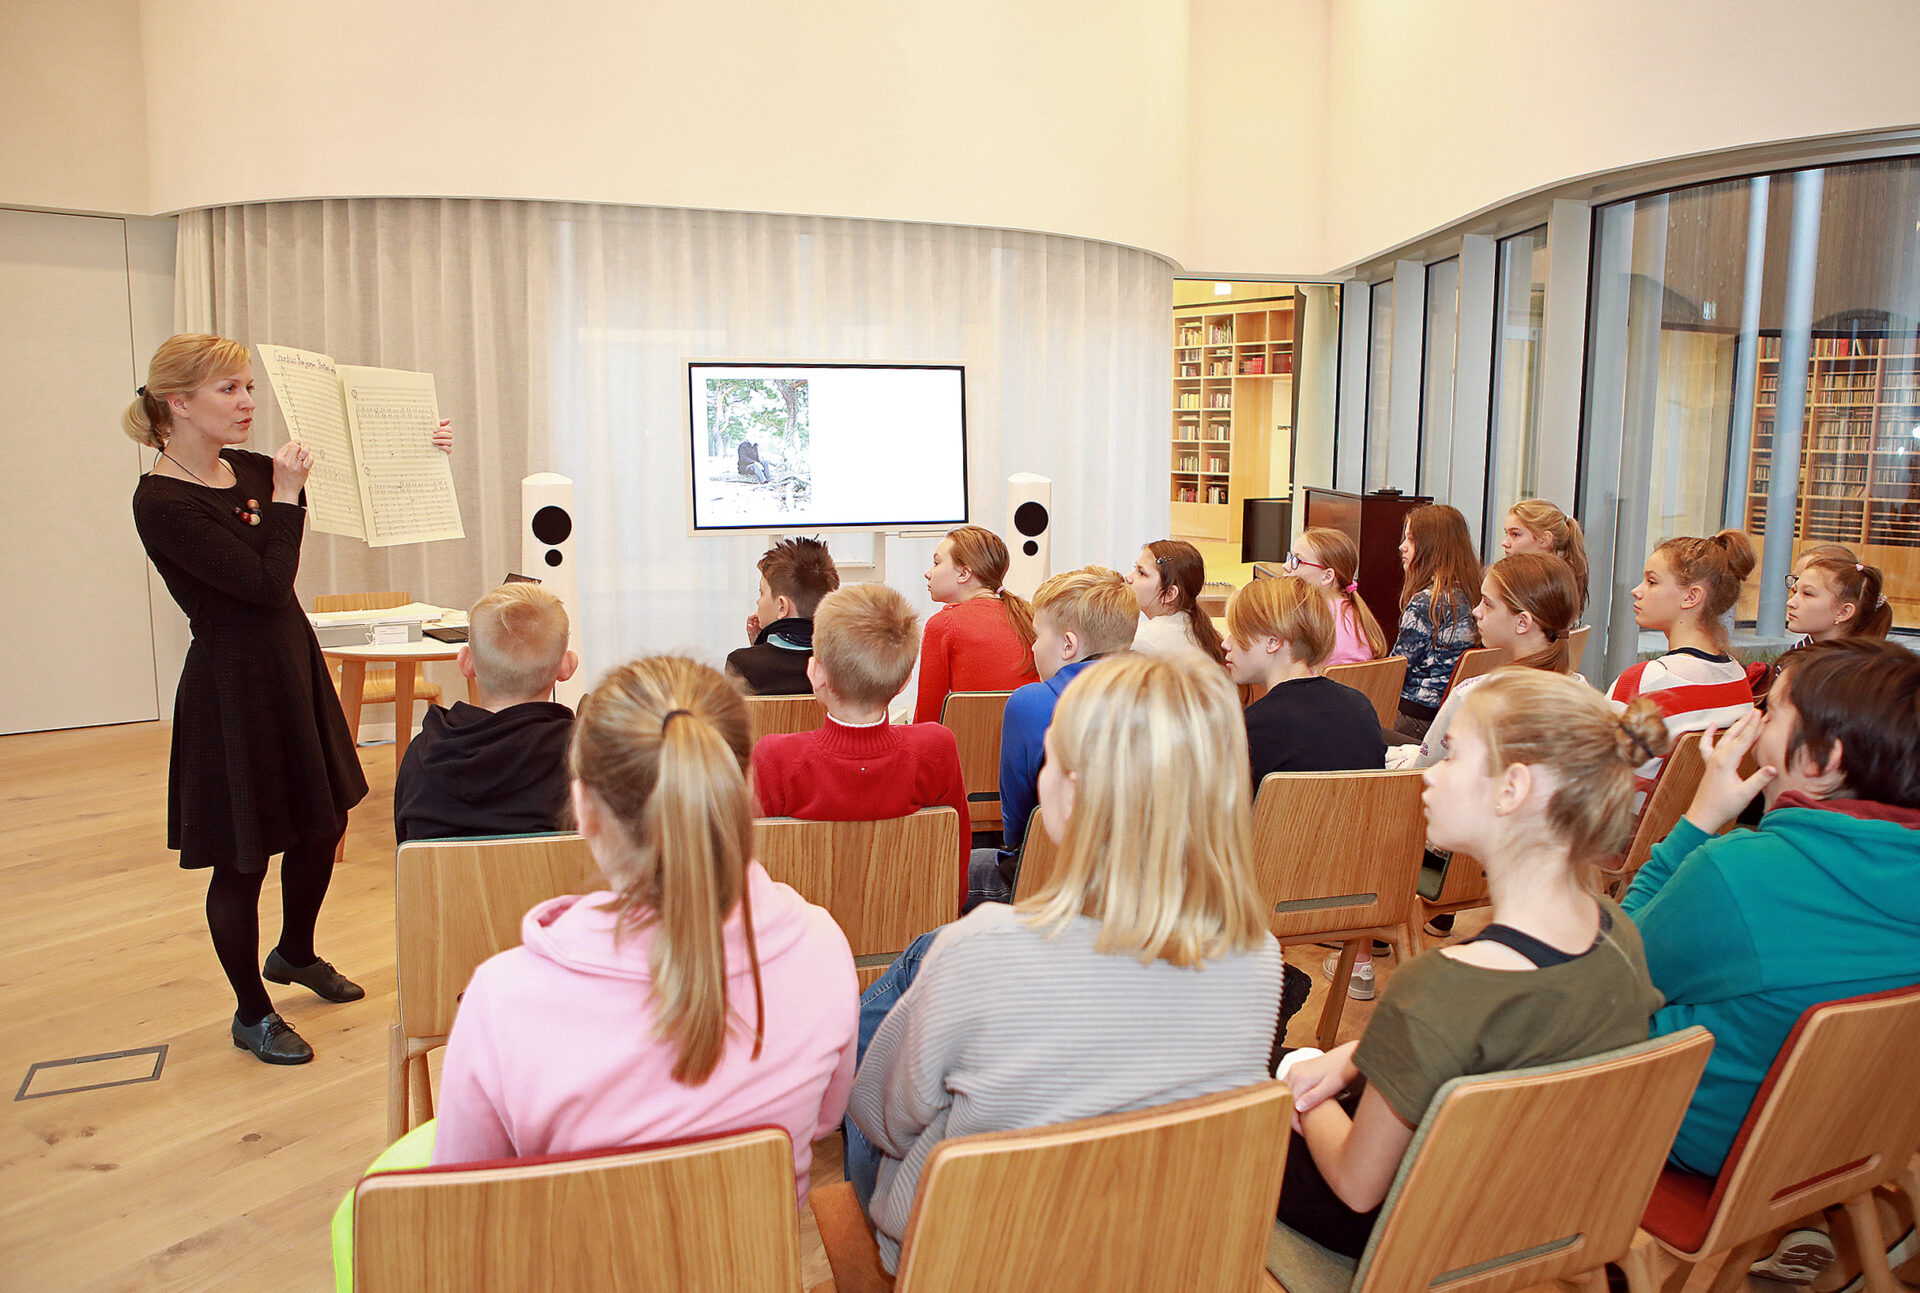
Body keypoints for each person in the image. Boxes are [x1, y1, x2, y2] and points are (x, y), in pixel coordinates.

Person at [845, 653, 1282, 1274]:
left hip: (970, 1261)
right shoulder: (1261, 957)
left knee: (876, 1054)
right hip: (1150, 1260)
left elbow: (879, 1118)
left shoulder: (983, 946)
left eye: (1050, 756)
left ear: (1073, 794)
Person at [126, 333, 448, 1065]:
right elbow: (267, 582)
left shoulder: (243, 467)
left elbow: (351, 487)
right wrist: (284, 495)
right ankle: (251, 1011)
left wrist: (417, 445)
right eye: (229, 390)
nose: (248, 403)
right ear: (178, 402)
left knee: (322, 820)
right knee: (241, 859)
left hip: (289, 663)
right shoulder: (162, 500)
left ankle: (295, 952)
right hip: (231, 684)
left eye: (248, 387)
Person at [1275, 670, 1667, 1259]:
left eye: (1452, 756)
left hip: (1408, 1233)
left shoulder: (1437, 988)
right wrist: (1360, 1052)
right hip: (1527, 1209)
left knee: (1242, 1081)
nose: (1428, 774)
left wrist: (1296, 1076)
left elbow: (1357, 1187)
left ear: (1511, 789)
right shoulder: (1619, 938)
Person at [431, 656, 859, 1189]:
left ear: (582, 805)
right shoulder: (821, 946)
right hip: (751, 1272)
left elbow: (465, 1199)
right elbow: (823, 1120)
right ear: (744, 788)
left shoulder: (503, 997)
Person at [752, 583, 971, 912]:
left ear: (815, 674)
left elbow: (751, 884)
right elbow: (956, 884)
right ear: (905, 680)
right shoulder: (935, 747)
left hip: (805, 950)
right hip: (911, 946)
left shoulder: (775, 758)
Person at [972, 565, 1138, 907]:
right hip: (1141, 887)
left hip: (1055, 884)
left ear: (1068, 645)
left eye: (1037, 635)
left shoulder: (1032, 703)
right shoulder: (1163, 697)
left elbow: (1018, 830)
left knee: (952, 867)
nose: (1033, 647)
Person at [393, 582, 580, 844]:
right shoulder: (585, 759)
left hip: (445, 886)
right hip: (560, 887)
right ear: (567, 666)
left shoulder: (421, 756)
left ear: (466, 662)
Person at [1608, 530, 1763, 800]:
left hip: (1623, 836)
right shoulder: (1739, 680)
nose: (1636, 590)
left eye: (1651, 582)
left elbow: (1593, 775)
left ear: (1691, 597)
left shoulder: (1646, 681)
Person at [1391, 552, 1581, 771]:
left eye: (1488, 604)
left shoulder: (1473, 697)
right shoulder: (1582, 694)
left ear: (1522, 622)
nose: (1476, 611)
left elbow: (1425, 769)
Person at [1223, 574, 1385, 795]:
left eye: (1237, 633)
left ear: (1272, 642)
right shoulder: (1361, 708)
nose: (1226, 642)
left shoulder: (1250, 727)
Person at [911, 525, 1039, 723]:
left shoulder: (943, 624)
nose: (928, 573)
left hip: (968, 751)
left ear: (964, 574)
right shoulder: (1030, 617)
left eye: (936, 563)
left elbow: (928, 721)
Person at [1390, 504, 1481, 740]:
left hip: (1414, 717)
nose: (1402, 547)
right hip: (1452, 714)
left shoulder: (1426, 603)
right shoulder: (1474, 594)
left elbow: (1396, 670)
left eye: (1410, 540)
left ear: (1432, 548)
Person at [727, 536, 840, 695]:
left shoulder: (741, 664)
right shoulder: (842, 665)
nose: (758, 601)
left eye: (762, 592)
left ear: (782, 607)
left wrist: (757, 650)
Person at [1284, 527, 1386, 667]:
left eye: (1297, 561)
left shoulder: (1313, 623)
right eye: (1290, 558)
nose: (1286, 566)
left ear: (1327, 577)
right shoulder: (1355, 613)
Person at [1125, 538, 1229, 668]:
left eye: (1141, 573)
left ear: (1169, 594)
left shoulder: (1143, 642)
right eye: (1135, 568)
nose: (1128, 577)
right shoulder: (1201, 630)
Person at [1785, 544, 1891, 644]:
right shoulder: (1806, 650)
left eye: (1807, 593)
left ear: (1844, 611)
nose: (1790, 602)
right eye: (1794, 581)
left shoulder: (1850, 661)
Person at [1500, 499, 1590, 614]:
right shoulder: (1564, 579)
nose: (1505, 543)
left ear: (1545, 539)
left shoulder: (1545, 589)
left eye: (1515, 534)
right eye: (1506, 534)